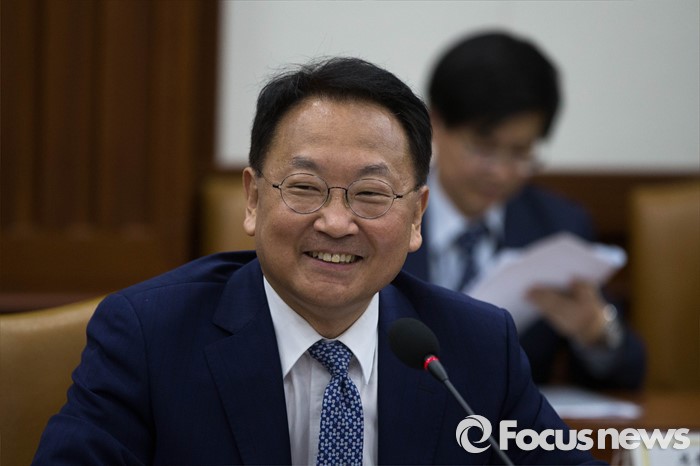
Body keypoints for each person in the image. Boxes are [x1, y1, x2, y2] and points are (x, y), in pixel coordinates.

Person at [33, 57, 602, 465]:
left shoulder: (475, 347)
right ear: (253, 199)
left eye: (371, 194)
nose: (335, 222)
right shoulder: (148, 335)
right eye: (305, 188)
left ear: (416, 217)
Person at [403, 30, 645, 390]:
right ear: (435, 124)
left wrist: (596, 333)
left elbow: (627, 375)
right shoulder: (389, 213)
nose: (501, 173)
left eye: (520, 152)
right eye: (484, 147)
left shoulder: (558, 227)